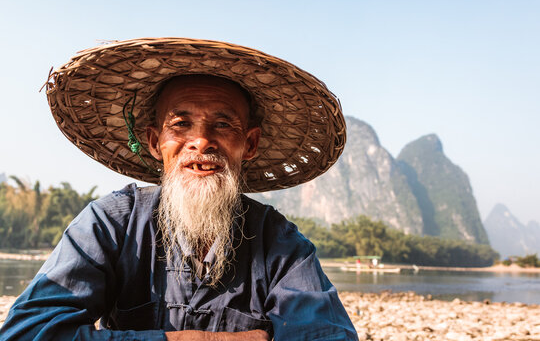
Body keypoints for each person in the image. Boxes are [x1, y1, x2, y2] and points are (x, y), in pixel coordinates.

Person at [0, 38, 357, 340]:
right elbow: (26, 332)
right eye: (181, 123)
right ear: (156, 143)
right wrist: (189, 339)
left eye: (223, 124)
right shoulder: (111, 224)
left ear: (249, 145)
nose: (201, 141)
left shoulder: (281, 245)